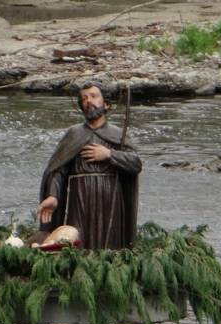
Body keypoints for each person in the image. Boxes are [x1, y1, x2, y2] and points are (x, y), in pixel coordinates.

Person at [37, 82, 143, 249]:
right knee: (77, 238)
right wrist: (53, 195)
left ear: (106, 104)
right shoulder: (74, 134)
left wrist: (109, 154)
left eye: (93, 96)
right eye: (84, 98)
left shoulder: (117, 134)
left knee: (109, 242)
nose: (88, 101)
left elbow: (135, 163)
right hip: (79, 196)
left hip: (110, 197)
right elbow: (58, 169)